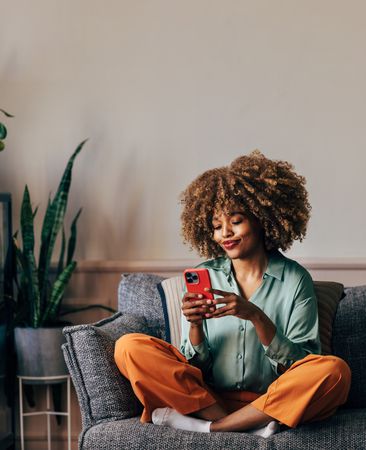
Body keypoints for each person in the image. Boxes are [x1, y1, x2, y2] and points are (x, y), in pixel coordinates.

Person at [114, 150, 351, 437]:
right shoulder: (206, 275)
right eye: (216, 226)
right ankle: (242, 427)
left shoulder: (294, 279)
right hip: (208, 399)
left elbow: (302, 363)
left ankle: (216, 429)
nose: (225, 233)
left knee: (334, 371)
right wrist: (195, 326)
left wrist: (254, 315)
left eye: (236, 221)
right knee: (128, 346)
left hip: (270, 401)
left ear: (262, 219)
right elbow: (193, 368)